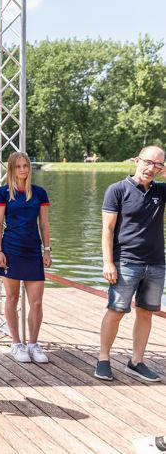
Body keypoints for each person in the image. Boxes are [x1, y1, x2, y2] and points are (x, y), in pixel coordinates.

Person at [95, 146, 166, 382]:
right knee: (116, 311)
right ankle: (103, 359)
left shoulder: (161, 191)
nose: (151, 168)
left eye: (158, 165)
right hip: (125, 262)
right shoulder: (117, 190)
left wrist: (164, 171)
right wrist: (108, 262)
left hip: (156, 263)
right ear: (136, 161)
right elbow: (107, 229)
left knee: (146, 313)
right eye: (148, 162)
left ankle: (136, 362)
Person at [0, 151, 52, 363]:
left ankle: (33, 344)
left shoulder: (39, 193)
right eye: (18, 166)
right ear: (11, 169)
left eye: (25, 165)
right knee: (12, 298)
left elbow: (44, 224)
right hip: (11, 250)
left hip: (33, 251)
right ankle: (16, 343)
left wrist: (47, 250)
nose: (23, 169)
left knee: (36, 302)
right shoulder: (3, 193)